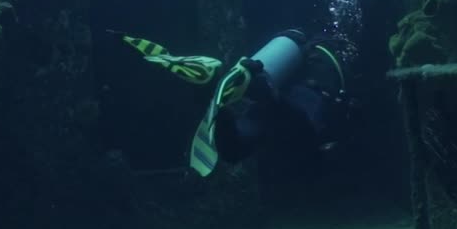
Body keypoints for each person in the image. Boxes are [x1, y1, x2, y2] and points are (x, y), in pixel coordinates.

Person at [115, 28, 355, 176]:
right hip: (302, 110)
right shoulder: (334, 69)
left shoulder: (305, 59)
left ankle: (209, 91)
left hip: (273, 94)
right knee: (305, 130)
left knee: (234, 149)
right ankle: (264, 93)